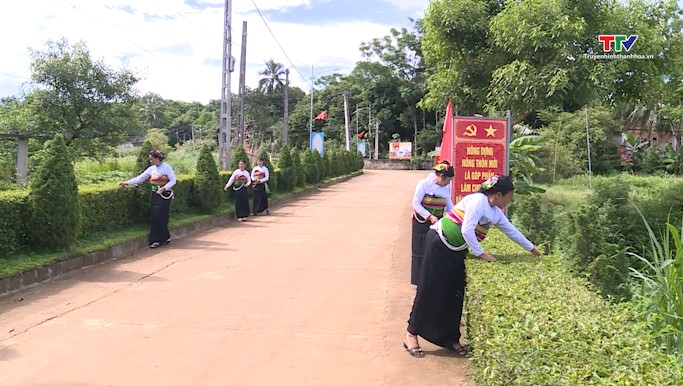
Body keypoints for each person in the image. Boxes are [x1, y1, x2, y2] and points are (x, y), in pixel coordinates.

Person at [404, 175, 542, 358]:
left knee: (454, 295)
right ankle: (411, 335)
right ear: (499, 194)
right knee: (428, 289)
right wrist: (481, 253)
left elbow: (511, 231)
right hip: (438, 244)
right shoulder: (478, 201)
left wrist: (532, 249)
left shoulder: (495, 212)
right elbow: (467, 230)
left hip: (456, 251)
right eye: (509, 196)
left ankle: (450, 339)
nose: (509, 200)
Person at [119, 149, 176, 248]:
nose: (150, 161)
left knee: (162, 217)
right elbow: (140, 178)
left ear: (158, 158)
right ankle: (155, 240)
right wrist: (127, 182)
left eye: (152, 159)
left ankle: (164, 237)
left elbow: (173, 180)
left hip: (165, 196)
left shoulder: (167, 167)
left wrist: (164, 188)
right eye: (150, 159)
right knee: (154, 217)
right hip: (155, 195)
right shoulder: (151, 169)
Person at [410, 163, 455, 285]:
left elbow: (450, 206)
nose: (449, 183)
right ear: (441, 176)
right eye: (448, 180)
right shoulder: (424, 184)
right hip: (422, 221)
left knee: (433, 250)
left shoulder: (445, 189)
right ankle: (418, 280)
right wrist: (429, 216)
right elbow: (415, 203)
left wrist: (457, 217)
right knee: (420, 250)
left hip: (437, 221)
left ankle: (430, 279)